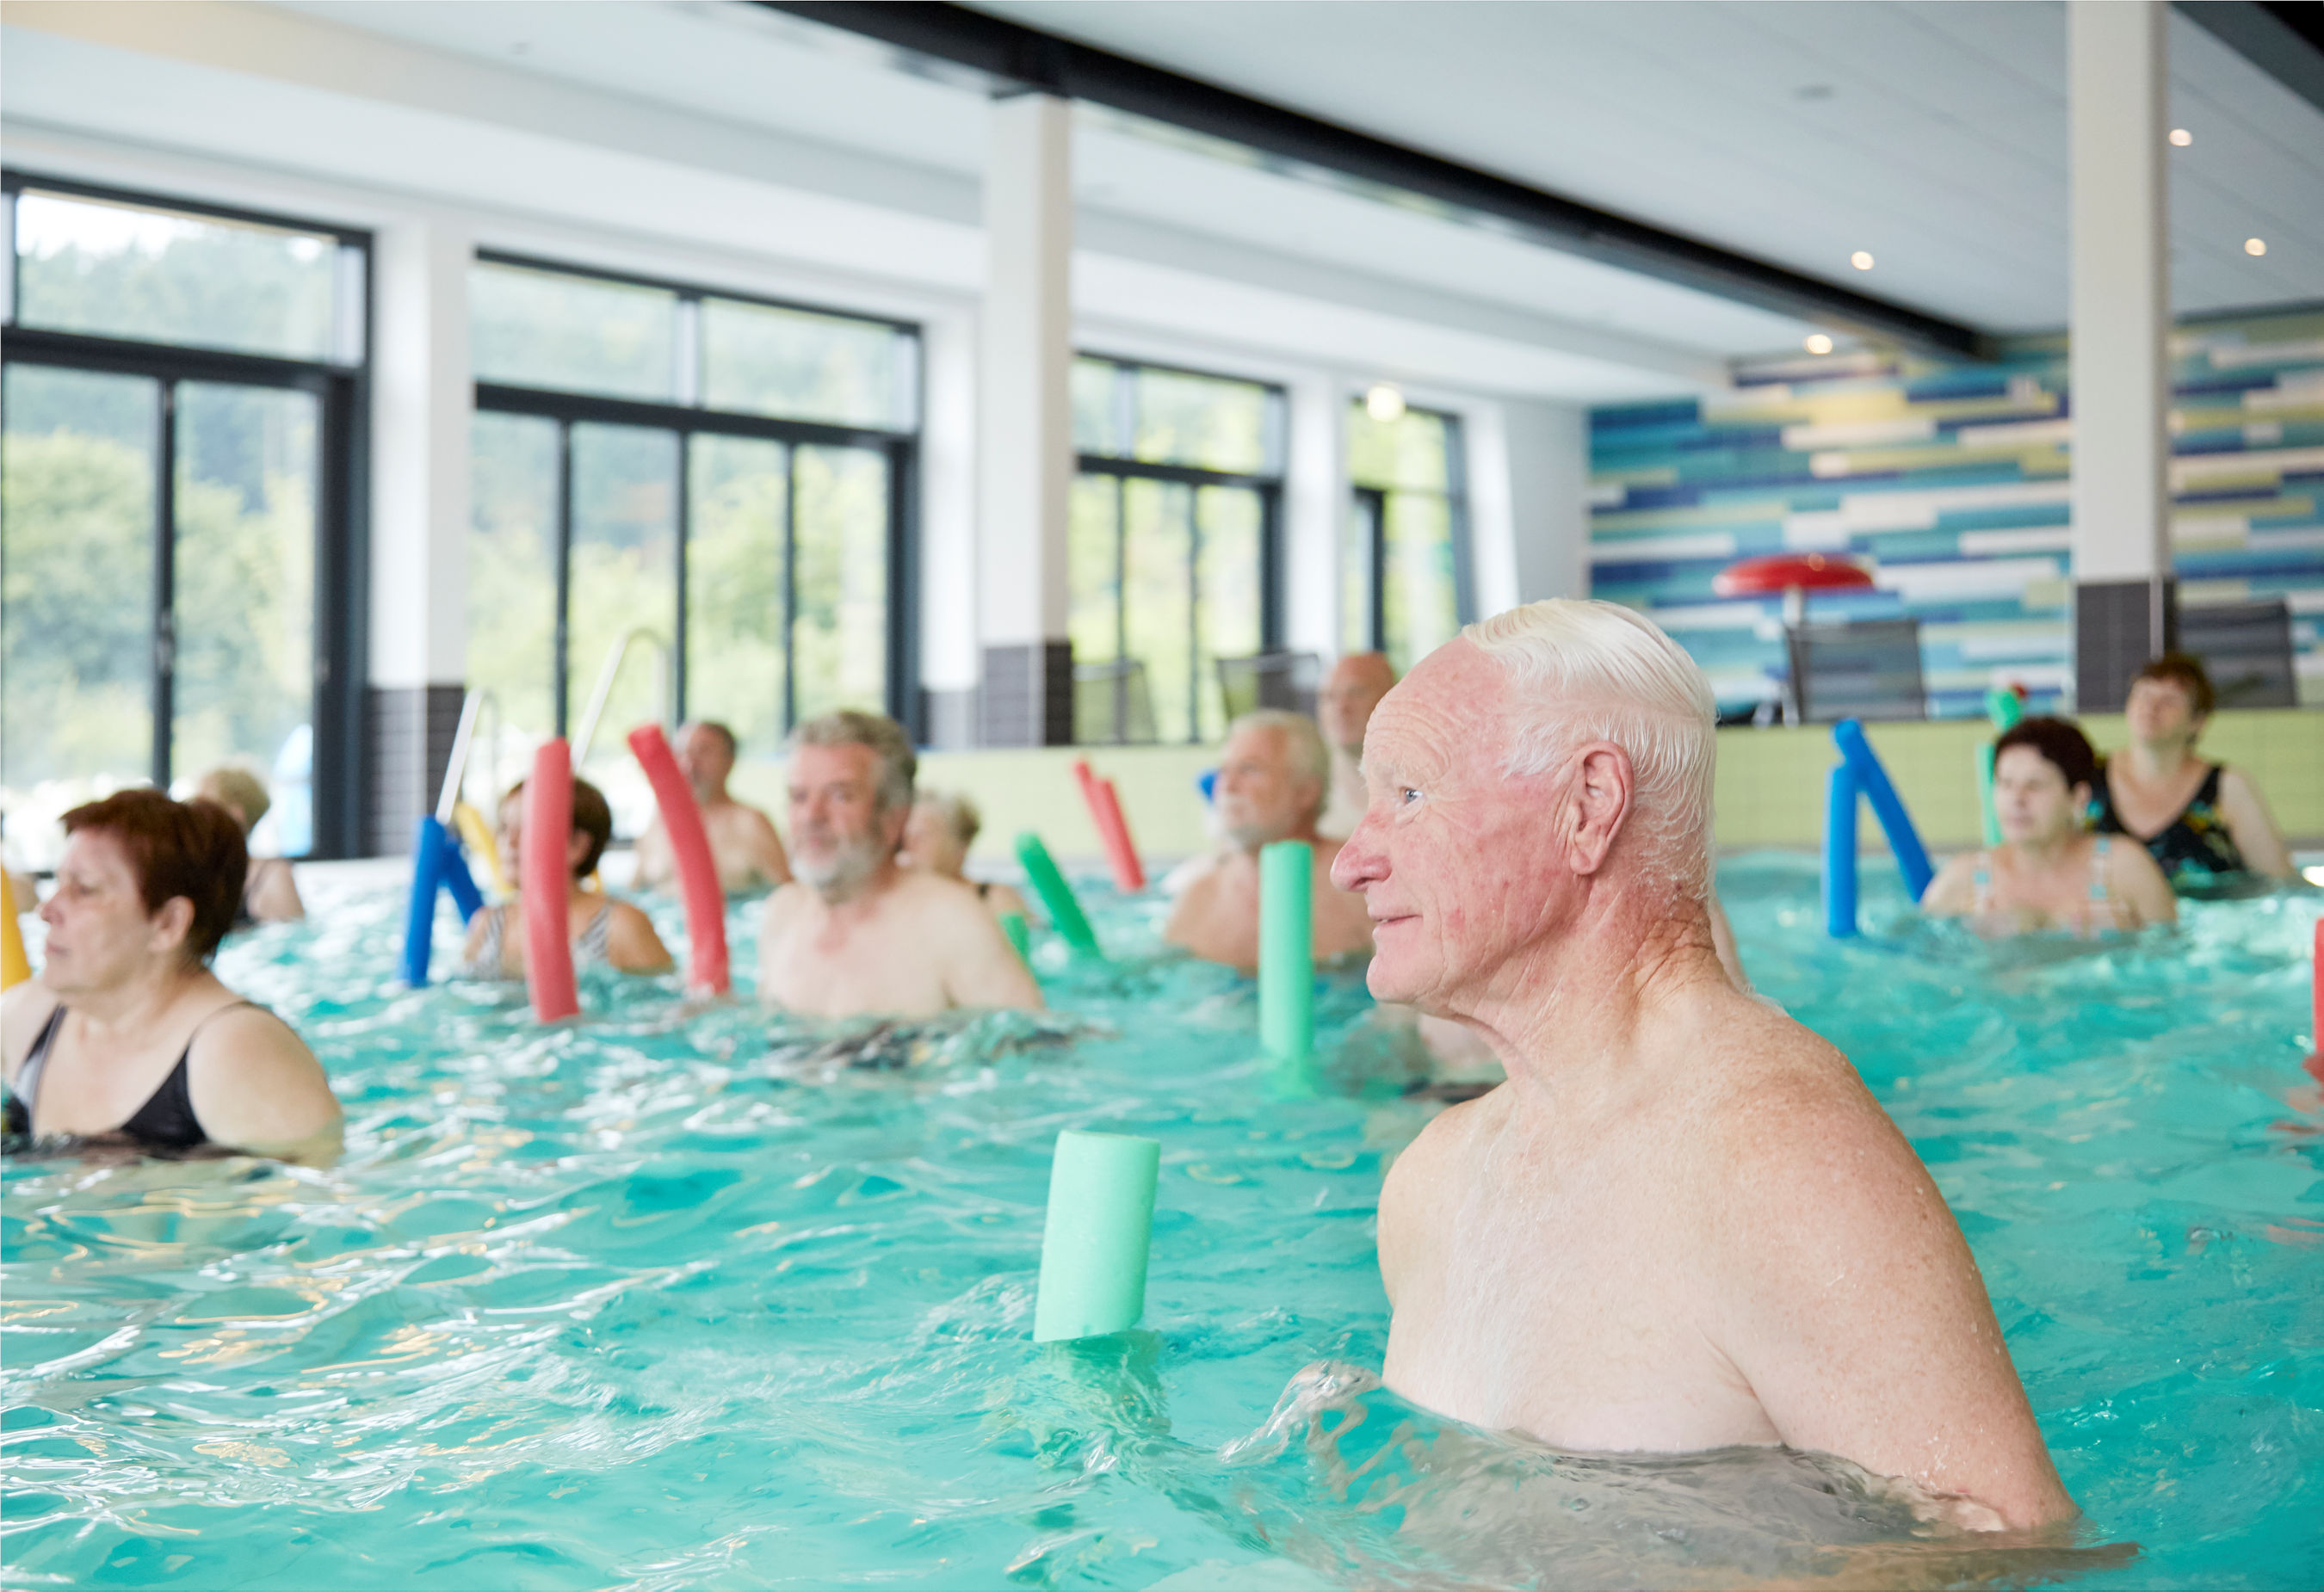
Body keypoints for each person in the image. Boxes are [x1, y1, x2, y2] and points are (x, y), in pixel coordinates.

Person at [1332, 599, 2075, 1532]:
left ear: (1587, 806)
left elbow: (2005, 1546)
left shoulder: (1781, 1163)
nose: (1351, 861)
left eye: (1409, 795)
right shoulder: (1431, 1185)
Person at [1, 790, 341, 1162]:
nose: (46, 909)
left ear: (168, 923)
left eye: (84, 890)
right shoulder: (26, 1017)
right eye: (58, 883)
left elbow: (317, 1188)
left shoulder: (239, 1054)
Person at [757, 712, 1041, 1019]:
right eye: (799, 797)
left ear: (894, 817)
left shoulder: (950, 922)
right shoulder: (782, 915)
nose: (812, 815)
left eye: (840, 796)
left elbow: (1034, 1040)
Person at [1165, 709, 1376, 972]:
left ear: (1305, 791)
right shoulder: (1197, 900)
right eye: (1224, 770)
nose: (1227, 786)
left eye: (1249, 769)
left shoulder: (1361, 889)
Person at [1925, 719, 2176, 935]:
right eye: (2005, 783)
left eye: (2035, 785)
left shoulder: (2123, 868)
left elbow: (2175, 952)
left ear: (2078, 798)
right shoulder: (1964, 879)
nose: (2017, 799)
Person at [2095, 653, 2292, 890]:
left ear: (2197, 721)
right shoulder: (2087, 777)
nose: (2151, 707)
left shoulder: (2227, 786)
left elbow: (2279, 882)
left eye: (2169, 700)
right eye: (2143, 694)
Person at [460, 778, 672, 978]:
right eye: (504, 827)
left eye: (528, 827)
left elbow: (666, 1000)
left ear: (577, 845)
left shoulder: (620, 926)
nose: (509, 841)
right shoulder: (487, 925)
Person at [633, 721, 793, 894]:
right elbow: (634, 891)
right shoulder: (659, 821)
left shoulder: (750, 823)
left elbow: (788, 893)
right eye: (681, 753)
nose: (689, 764)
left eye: (703, 752)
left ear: (729, 761)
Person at [194, 766, 304, 924]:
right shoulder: (194, 873)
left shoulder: (273, 876)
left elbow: (295, 935)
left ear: (234, 814)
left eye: (202, 810)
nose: (194, 819)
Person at [899, 790, 1032, 921]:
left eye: (922, 834)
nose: (909, 844)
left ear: (961, 846)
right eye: (905, 835)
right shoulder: (903, 902)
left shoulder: (995, 899)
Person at [1317, 651, 1398, 838]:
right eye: (1329, 696)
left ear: (1392, 696)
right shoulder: (1304, 788)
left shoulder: (1424, 780)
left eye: (1356, 693)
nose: (1341, 707)